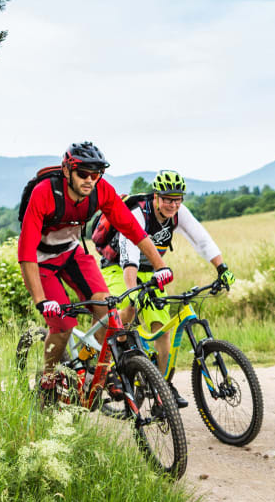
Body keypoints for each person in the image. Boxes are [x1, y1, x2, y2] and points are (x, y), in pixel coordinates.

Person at [18, 141, 172, 400]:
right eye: (83, 173)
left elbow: (134, 230)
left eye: (96, 174)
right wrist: (41, 301)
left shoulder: (100, 190)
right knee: (63, 324)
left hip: (73, 253)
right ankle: (47, 378)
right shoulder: (45, 192)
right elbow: (25, 252)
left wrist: (160, 265)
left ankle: (92, 368)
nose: (90, 180)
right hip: (40, 260)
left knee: (106, 310)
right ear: (67, 170)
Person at [100, 169, 235, 407]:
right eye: (167, 199)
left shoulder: (178, 213)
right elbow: (129, 255)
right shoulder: (138, 213)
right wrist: (132, 292)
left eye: (177, 199)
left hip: (152, 272)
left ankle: (160, 385)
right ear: (156, 196)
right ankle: (111, 363)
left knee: (162, 330)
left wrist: (221, 267)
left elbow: (201, 239)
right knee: (128, 310)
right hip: (118, 267)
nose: (173, 204)